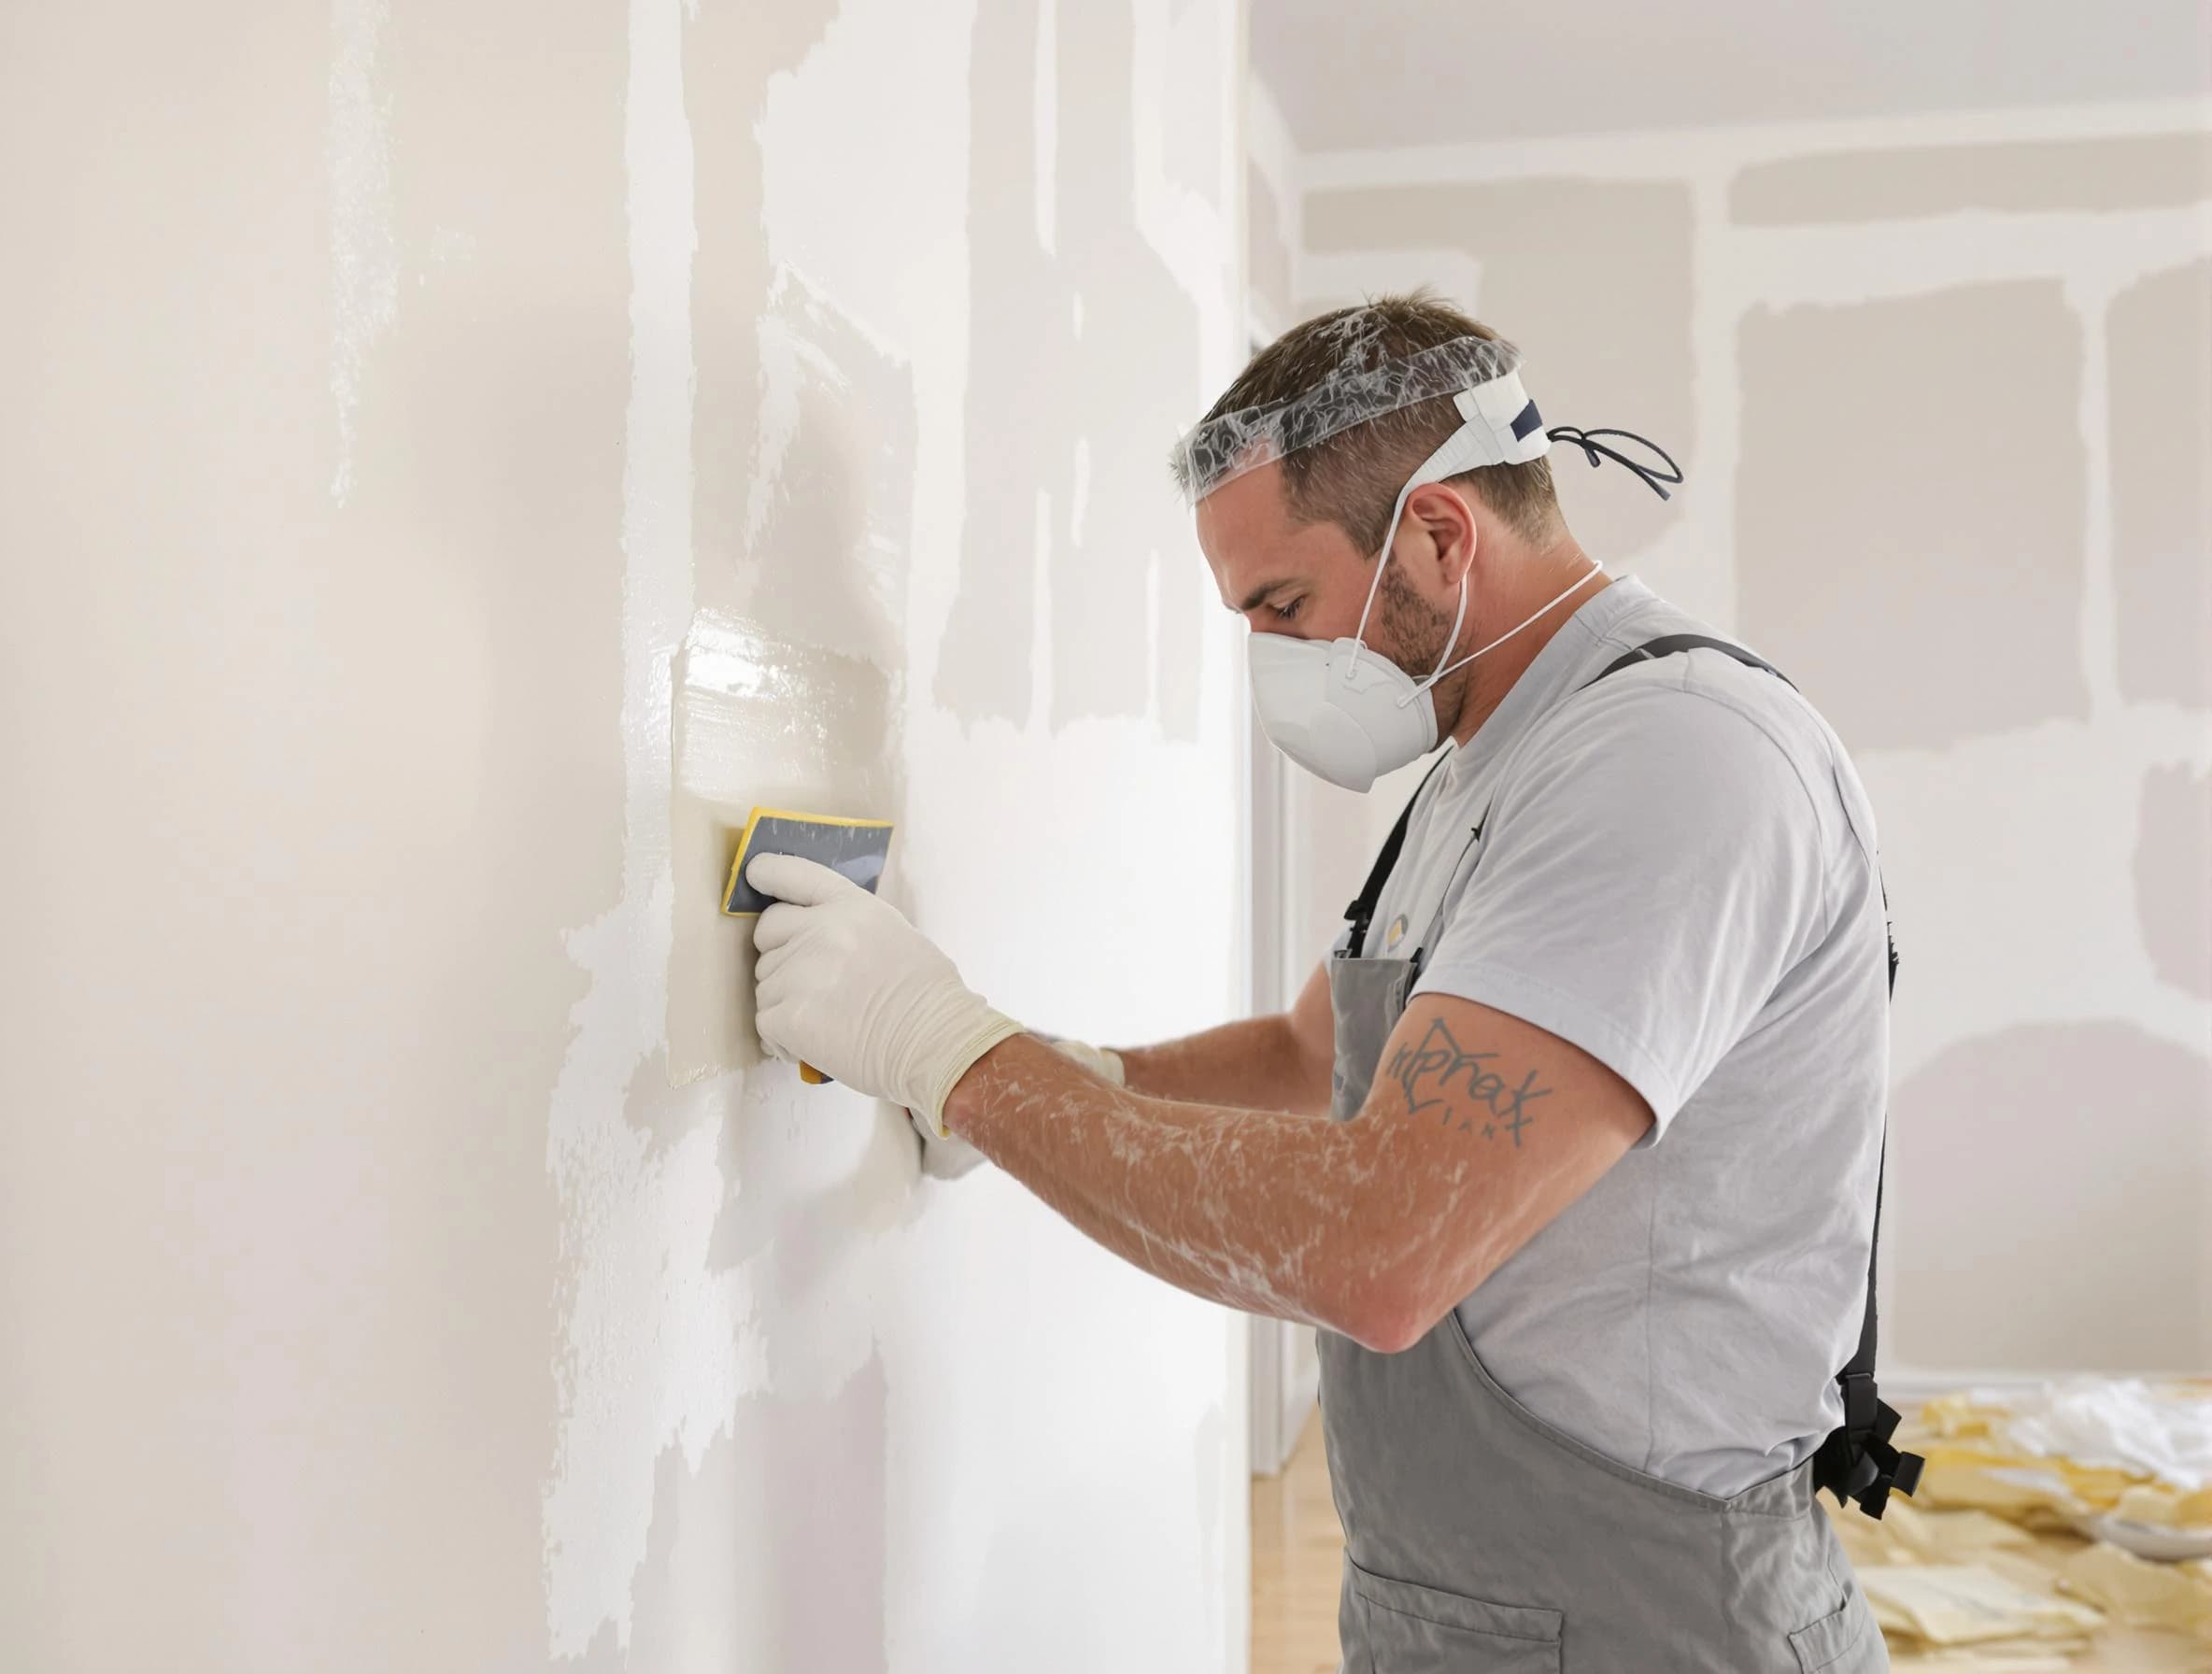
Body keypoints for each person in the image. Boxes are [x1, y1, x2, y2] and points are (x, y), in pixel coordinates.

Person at [744, 291, 1918, 1670]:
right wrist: (1069, 1077)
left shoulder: (1669, 761)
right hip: (1465, 1600)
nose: (1273, 657)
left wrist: (951, 1055)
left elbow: (1385, 1251)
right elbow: (1321, 1058)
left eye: (1283, 604)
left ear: (1437, 531)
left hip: (1642, 1619)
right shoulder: (1490, 759)